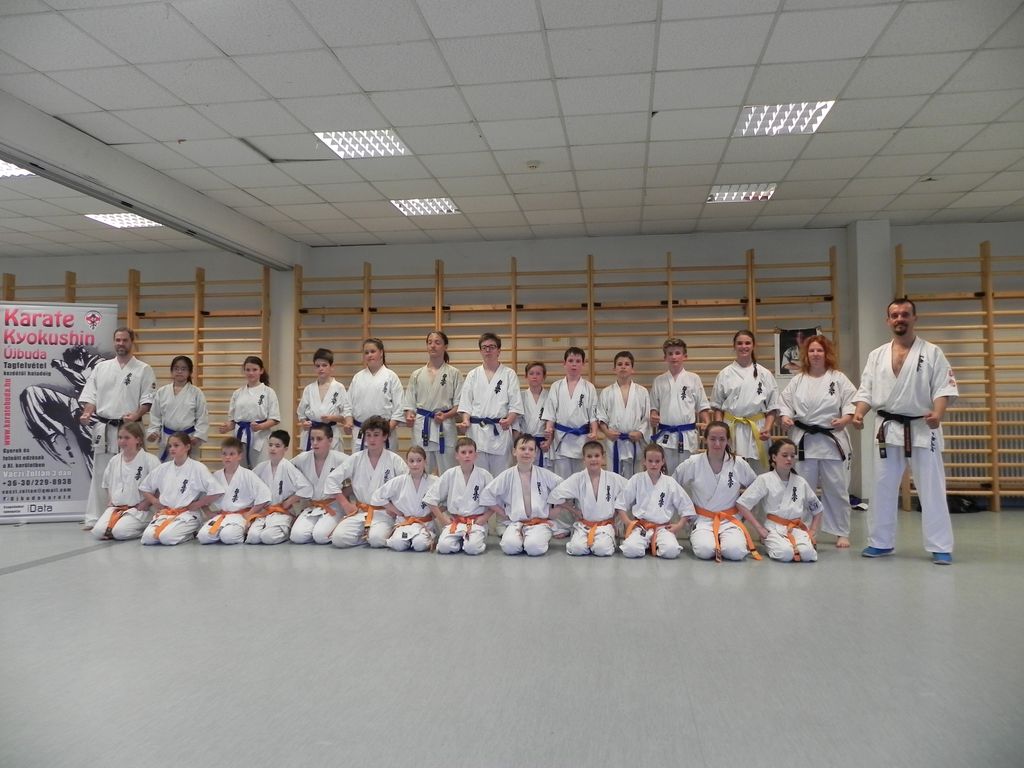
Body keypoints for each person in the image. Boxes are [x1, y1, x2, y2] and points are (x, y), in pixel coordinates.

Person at [852, 297, 959, 564]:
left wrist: (938, 414)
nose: (900, 319)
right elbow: (866, 391)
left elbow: (943, 388)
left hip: (922, 425)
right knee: (882, 486)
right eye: (895, 315)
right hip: (887, 428)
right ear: (888, 320)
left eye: (905, 314)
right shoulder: (877, 355)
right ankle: (880, 542)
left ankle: (940, 545)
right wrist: (859, 413)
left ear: (914, 318)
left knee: (932, 487)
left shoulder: (932, 353)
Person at [779, 334, 857, 548]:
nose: (815, 354)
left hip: (832, 440)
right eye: (812, 350)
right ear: (806, 354)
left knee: (837, 488)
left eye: (819, 350)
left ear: (826, 353)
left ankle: (841, 531)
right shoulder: (798, 380)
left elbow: (852, 402)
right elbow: (785, 403)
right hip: (805, 441)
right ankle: (804, 529)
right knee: (803, 488)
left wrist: (845, 419)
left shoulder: (838, 378)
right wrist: (785, 417)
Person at [77, 326, 156, 530]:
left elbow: (148, 399)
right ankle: (95, 517)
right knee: (101, 472)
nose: (121, 344)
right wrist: (87, 412)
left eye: (125, 340)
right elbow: (91, 395)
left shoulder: (143, 369)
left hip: (130, 428)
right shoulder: (101, 368)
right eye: (118, 340)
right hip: (104, 427)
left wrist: (136, 415)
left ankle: (138, 514)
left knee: (135, 471)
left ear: (132, 342)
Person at [674, 421, 760, 562]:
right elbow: (671, 486)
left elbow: (756, 488)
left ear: (728, 441)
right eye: (713, 439)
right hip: (702, 520)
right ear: (705, 440)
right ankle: (700, 536)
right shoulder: (693, 462)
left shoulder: (738, 463)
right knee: (704, 551)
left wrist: (743, 511)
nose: (717, 444)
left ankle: (725, 541)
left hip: (730, 520)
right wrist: (686, 513)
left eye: (722, 439)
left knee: (736, 552)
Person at [326, 415, 408, 548]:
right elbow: (331, 479)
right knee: (338, 539)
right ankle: (367, 536)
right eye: (368, 435)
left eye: (376, 435)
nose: (371, 439)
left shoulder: (394, 460)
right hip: (360, 511)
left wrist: (395, 508)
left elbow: (406, 486)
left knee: (376, 540)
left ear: (385, 436)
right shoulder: (356, 459)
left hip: (384, 512)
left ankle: (373, 534)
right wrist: (345, 504)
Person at [737, 438, 823, 563]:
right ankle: (772, 543)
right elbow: (742, 504)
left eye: (792, 456)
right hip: (773, 528)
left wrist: (812, 531)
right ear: (774, 457)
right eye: (784, 455)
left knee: (808, 554)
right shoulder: (764, 479)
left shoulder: (800, 482)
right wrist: (759, 529)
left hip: (796, 528)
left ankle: (797, 545)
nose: (789, 459)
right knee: (785, 554)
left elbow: (818, 509)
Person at [481, 436, 563, 556]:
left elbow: (564, 488)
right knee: (509, 547)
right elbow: (486, 495)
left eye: (531, 449)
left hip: (539, 522)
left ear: (535, 453)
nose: (526, 452)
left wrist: (557, 508)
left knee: (534, 548)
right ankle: (524, 538)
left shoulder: (544, 474)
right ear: (514, 451)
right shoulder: (507, 475)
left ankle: (534, 538)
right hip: (515, 522)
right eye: (523, 448)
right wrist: (503, 513)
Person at [711, 330, 779, 473]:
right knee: (731, 471)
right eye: (740, 343)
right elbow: (717, 407)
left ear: (753, 345)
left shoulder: (764, 374)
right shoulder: (725, 374)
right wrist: (720, 430)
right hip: (731, 426)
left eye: (747, 343)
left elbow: (772, 406)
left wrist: (767, 427)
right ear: (734, 346)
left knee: (759, 472)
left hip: (757, 427)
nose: (744, 346)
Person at [139, 432, 224, 546]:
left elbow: (217, 491)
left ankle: (191, 533)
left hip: (187, 514)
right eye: (170, 446)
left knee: (166, 538)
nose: (172, 448)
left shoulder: (197, 468)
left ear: (187, 447)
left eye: (176, 445)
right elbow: (144, 487)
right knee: (148, 538)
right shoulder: (163, 468)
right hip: (166, 513)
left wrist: (198, 504)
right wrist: (154, 501)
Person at [457, 333, 524, 476]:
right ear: (480, 351)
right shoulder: (473, 375)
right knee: (478, 476)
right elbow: (466, 404)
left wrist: (510, 420)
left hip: (500, 430)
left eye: (492, 347)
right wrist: (465, 420)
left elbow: (515, 404)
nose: (488, 350)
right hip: (477, 432)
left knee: (501, 476)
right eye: (484, 347)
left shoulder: (509, 374)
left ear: (499, 351)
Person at [616, 443, 696, 559]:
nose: (654, 464)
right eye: (650, 461)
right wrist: (628, 523)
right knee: (630, 550)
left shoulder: (669, 482)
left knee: (671, 551)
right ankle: (648, 544)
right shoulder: (637, 479)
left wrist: (679, 525)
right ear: (644, 461)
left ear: (663, 461)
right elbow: (620, 503)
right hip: (641, 527)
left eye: (657, 461)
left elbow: (686, 507)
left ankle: (653, 544)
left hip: (662, 528)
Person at [549, 440, 627, 557]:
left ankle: (607, 541)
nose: (593, 459)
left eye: (597, 456)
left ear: (603, 457)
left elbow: (631, 491)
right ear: (584, 459)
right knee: (577, 549)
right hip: (583, 525)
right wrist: (574, 510)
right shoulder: (578, 478)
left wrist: (618, 511)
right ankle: (582, 540)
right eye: (589, 456)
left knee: (601, 550)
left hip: (605, 526)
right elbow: (554, 495)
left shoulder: (613, 478)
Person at [403, 331, 463, 474]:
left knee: (448, 472)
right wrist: (409, 415)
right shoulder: (417, 374)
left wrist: (446, 415)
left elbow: (459, 405)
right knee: (421, 471)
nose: (433, 346)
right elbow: (410, 403)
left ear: (445, 346)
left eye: (437, 342)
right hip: (422, 426)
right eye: (429, 342)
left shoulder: (454, 373)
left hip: (445, 426)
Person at [424, 437, 494, 555]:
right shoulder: (449, 474)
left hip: (476, 522)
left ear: (476, 455)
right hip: (455, 521)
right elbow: (430, 499)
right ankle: (462, 541)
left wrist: (485, 518)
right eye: (463, 452)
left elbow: (496, 500)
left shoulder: (484, 475)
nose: (467, 455)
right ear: (456, 455)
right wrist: (443, 519)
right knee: (444, 547)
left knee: (472, 548)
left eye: (470, 452)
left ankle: (467, 542)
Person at [91, 421, 160, 541]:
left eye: (127, 438)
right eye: (120, 437)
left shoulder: (150, 460)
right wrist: (111, 499)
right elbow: (107, 484)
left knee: (120, 533)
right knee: (98, 532)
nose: (122, 441)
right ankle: (119, 525)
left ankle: (147, 528)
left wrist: (147, 503)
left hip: (140, 510)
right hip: (117, 508)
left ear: (138, 440)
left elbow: (159, 488)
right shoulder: (114, 460)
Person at [649, 338, 709, 475]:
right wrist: (653, 415)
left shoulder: (694, 379)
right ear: (665, 357)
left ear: (685, 356)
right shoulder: (659, 380)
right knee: (666, 475)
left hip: (687, 435)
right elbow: (654, 407)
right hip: (666, 436)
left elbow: (702, 406)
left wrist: (707, 423)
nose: (674, 357)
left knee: (688, 475)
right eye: (670, 353)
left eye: (677, 353)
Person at [197, 438, 271, 545]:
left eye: (232, 454)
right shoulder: (216, 476)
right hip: (222, 515)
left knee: (227, 536)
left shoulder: (248, 475)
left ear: (239, 456)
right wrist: (208, 512)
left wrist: (250, 513)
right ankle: (222, 532)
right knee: (203, 537)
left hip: (240, 516)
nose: (227, 457)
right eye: (224, 454)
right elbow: (203, 498)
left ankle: (244, 531)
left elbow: (264, 496)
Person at [544, 346, 600, 478]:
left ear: (583, 364)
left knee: (581, 479)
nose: (574, 364)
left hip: (582, 440)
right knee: (561, 480)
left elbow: (593, 415)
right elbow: (550, 414)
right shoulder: (556, 386)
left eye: (578, 361)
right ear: (564, 363)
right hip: (561, 440)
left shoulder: (589, 387)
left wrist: (594, 432)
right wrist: (548, 433)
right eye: (570, 360)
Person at [289, 424, 349, 544]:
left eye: (319, 439)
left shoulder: (341, 459)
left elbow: (359, 479)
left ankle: (339, 525)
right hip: (312, 506)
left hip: (334, 506)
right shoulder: (303, 458)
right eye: (312, 439)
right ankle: (317, 527)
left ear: (330, 440)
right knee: (297, 536)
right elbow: (284, 470)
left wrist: (343, 494)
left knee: (320, 536)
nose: (315, 443)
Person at [372, 446, 440, 552]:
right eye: (411, 461)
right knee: (398, 544)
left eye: (419, 460)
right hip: (404, 523)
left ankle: (426, 538)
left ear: (425, 462)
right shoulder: (399, 481)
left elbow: (447, 499)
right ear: (407, 462)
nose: (415, 464)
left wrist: (436, 512)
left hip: (424, 524)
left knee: (419, 544)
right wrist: (395, 510)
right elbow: (377, 496)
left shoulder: (435, 481)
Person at [250, 430, 312, 545]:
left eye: (277, 446)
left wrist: (290, 501)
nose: (273, 448)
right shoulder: (261, 467)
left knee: (267, 537)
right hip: (265, 511)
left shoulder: (288, 467)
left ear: (285, 449)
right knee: (253, 537)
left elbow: (307, 488)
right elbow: (248, 484)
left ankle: (288, 527)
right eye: (270, 445)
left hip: (282, 511)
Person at [219, 356, 280, 469]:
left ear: (261, 370)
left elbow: (274, 419)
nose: (251, 373)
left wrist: (260, 426)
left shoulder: (268, 392)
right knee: (240, 470)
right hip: (240, 437)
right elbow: (233, 421)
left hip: (260, 437)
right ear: (244, 371)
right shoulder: (237, 393)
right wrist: (227, 427)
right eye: (248, 370)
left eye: (254, 370)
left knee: (261, 469)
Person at [598, 351, 650, 478]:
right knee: (613, 478)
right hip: (614, 442)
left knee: (636, 478)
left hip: (634, 442)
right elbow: (601, 417)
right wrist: (607, 433)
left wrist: (640, 433)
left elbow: (646, 418)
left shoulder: (642, 391)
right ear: (614, 369)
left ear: (632, 369)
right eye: (619, 364)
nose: (623, 367)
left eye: (627, 364)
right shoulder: (606, 392)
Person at [147, 355, 209, 461]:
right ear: (171, 371)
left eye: (183, 369)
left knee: (189, 468)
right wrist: (154, 431)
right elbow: (155, 416)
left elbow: (202, 417)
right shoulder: (162, 392)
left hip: (188, 439)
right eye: (176, 368)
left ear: (190, 372)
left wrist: (198, 436)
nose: (179, 371)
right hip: (168, 439)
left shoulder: (196, 393)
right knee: (166, 468)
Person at [348, 337, 404, 452]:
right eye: (366, 352)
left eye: (373, 351)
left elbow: (399, 408)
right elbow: (347, 405)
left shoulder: (391, 377)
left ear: (381, 352)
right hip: (361, 432)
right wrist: (348, 421)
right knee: (359, 463)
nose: (369, 355)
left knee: (386, 463)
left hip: (384, 432)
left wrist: (387, 429)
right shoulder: (357, 378)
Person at [296, 348, 352, 453]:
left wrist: (332, 418)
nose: (321, 368)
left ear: (332, 367)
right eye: (317, 366)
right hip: (312, 434)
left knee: (333, 462)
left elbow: (345, 414)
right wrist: (304, 423)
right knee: (311, 462)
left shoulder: (339, 387)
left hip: (331, 432)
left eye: (324, 365)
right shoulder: (309, 389)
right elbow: (301, 413)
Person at [514, 361, 551, 467]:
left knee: (542, 474)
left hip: (542, 443)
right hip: (524, 443)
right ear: (526, 376)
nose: (535, 376)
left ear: (544, 377)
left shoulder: (550, 397)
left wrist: (548, 442)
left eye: (538, 373)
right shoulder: (520, 397)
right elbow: (516, 423)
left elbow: (552, 422)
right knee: (524, 472)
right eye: (531, 373)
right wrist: (517, 443)